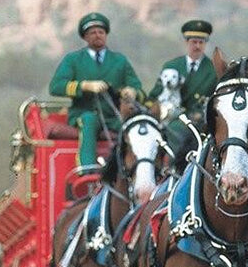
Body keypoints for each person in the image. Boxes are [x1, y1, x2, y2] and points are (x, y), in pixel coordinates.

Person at [49, 12, 145, 168]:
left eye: (101, 32)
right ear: (85, 37)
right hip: (83, 113)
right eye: (92, 33)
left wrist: (132, 92)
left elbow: (138, 89)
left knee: (137, 127)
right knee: (89, 120)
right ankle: (87, 168)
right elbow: (56, 86)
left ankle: (136, 169)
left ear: (106, 35)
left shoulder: (119, 60)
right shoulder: (73, 59)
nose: (97, 35)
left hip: (113, 115)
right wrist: (84, 86)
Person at [148, 19, 217, 154]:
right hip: (169, 118)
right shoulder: (171, 66)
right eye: (194, 42)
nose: (197, 46)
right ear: (186, 42)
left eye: (201, 42)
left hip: (199, 121)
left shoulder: (213, 70)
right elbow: (155, 94)